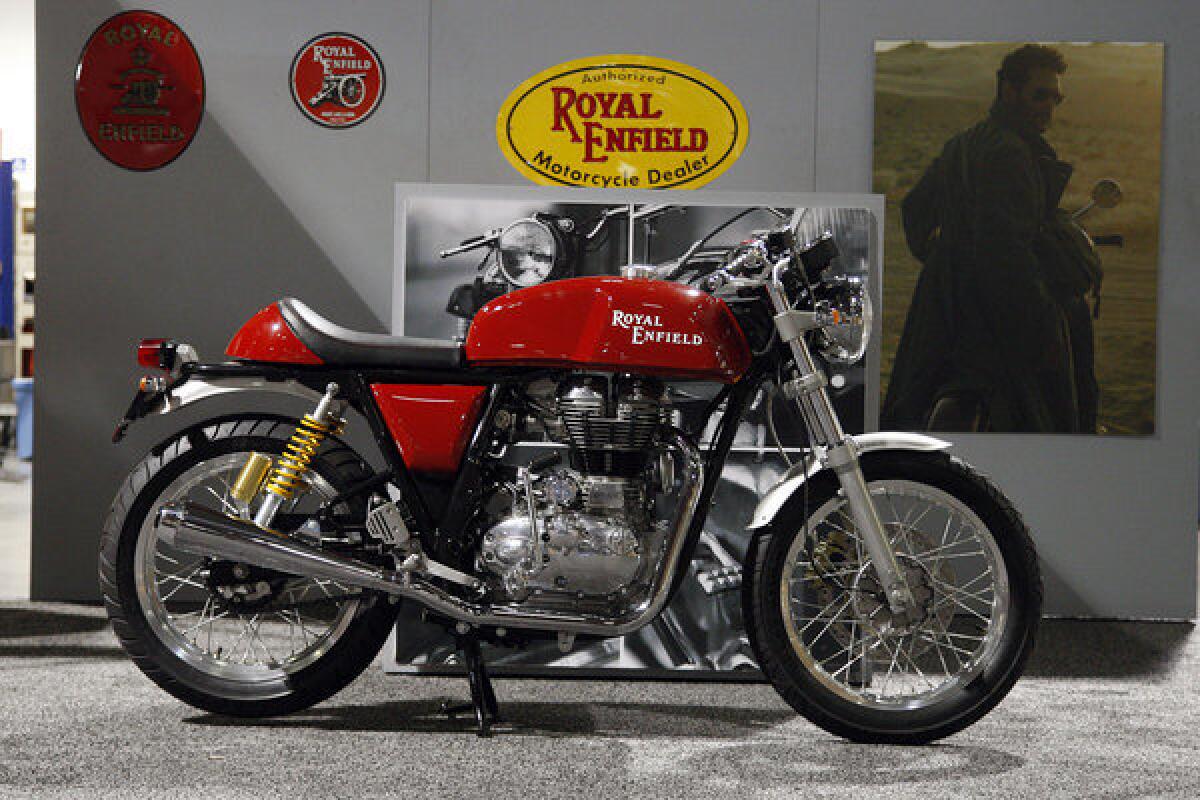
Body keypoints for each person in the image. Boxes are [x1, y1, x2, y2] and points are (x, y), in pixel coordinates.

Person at [881, 44, 1100, 433]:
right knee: (1042, 410)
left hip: (946, 301)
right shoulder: (1011, 154)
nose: (1049, 106)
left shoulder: (964, 143)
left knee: (920, 400)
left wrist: (942, 261)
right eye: (1040, 94)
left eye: (1056, 98)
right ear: (1008, 91)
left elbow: (915, 210)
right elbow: (1005, 251)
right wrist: (1038, 319)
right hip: (995, 306)